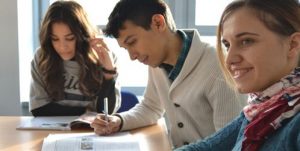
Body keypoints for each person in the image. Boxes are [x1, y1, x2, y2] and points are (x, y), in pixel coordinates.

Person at [90, 0, 246, 148]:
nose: (132, 56)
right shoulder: (156, 62)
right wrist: (118, 120)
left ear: (158, 23)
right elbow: (151, 107)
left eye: (132, 42)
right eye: (126, 48)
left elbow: (230, 142)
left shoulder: (218, 66)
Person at [175, 0, 300, 150]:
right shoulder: (260, 108)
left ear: (293, 44)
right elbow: (206, 147)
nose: (229, 59)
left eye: (246, 41)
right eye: (227, 45)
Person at [29, 1, 121, 116]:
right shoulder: (42, 57)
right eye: (55, 39)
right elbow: (39, 109)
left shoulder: (104, 57)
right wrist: (85, 112)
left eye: (70, 38)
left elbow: (106, 112)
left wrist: (109, 73)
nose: (62, 46)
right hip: (51, 130)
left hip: (92, 131)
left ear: (83, 35)